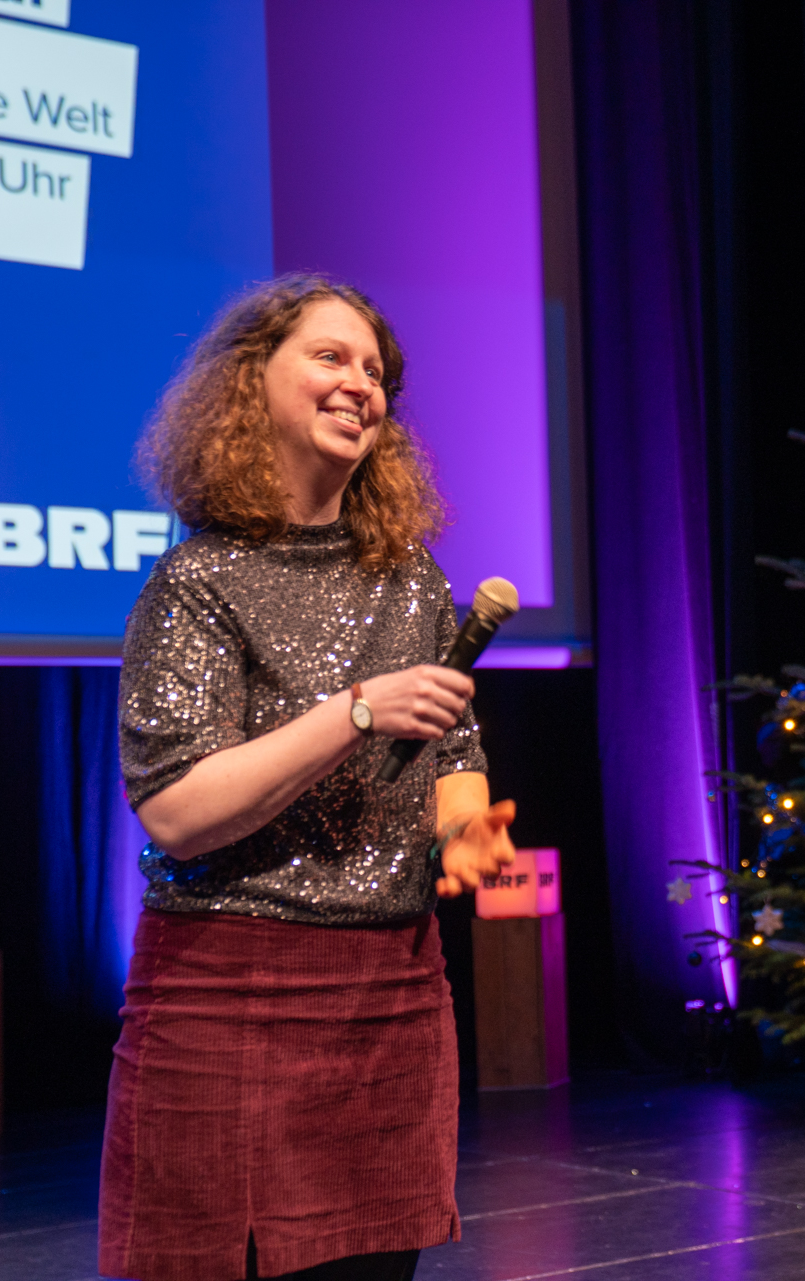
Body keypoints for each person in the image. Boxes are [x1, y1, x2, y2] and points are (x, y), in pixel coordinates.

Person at [99, 275, 517, 1281]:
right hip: (230, 996)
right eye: (331, 357)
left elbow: (452, 752)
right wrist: (356, 710)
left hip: (391, 997)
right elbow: (177, 811)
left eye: (375, 371)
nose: (360, 384)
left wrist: (465, 829)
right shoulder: (198, 580)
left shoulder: (411, 577)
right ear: (252, 382)